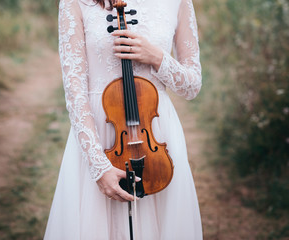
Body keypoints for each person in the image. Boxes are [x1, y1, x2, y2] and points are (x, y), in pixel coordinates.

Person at [44, 0, 202, 238]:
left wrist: (158, 58)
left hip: (157, 137)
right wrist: (99, 166)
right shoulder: (75, 2)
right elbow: (75, 92)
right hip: (101, 136)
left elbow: (192, 86)